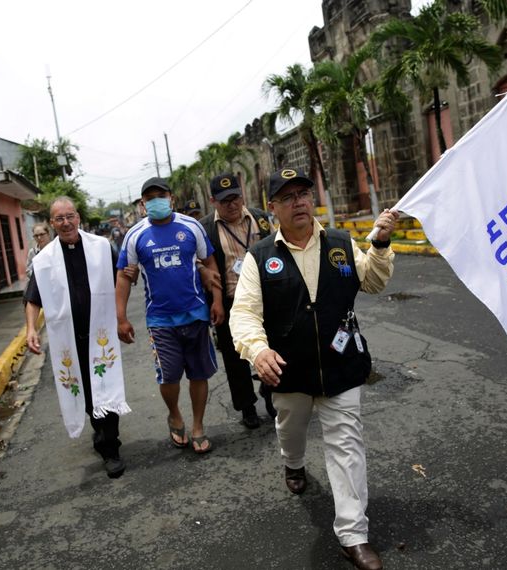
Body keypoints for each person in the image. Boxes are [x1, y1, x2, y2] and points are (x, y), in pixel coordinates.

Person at [229, 168, 398, 570]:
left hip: (341, 366)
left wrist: (381, 243)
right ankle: (293, 463)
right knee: (291, 428)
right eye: (287, 198)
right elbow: (245, 314)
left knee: (346, 446)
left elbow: (372, 282)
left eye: (303, 193)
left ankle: (353, 535)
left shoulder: (340, 242)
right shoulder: (260, 257)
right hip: (289, 372)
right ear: (273, 209)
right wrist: (258, 351)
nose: (299, 202)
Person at [116, 177, 224, 454]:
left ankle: (198, 426)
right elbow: (124, 276)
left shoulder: (191, 227)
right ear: (143, 204)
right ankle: (175, 414)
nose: (156, 201)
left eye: (160, 195)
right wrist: (121, 318)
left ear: (171, 198)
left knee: (199, 374)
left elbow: (209, 263)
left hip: (196, 314)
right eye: (149, 198)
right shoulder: (135, 235)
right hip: (160, 320)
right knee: (169, 377)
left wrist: (218, 301)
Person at [24, 197, 130, 478]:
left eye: (70, 216)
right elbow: (33, 298)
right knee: (83, 391)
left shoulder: (100, 247)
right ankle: (99, 430)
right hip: (69, 340)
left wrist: (121, 316)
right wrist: (31, 329)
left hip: (101, 334)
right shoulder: (44, 260)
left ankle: (111, 448)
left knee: (105, 385)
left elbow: (122, 276)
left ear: (78, 217)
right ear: (52, 224)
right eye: (59, 219)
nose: (66, 222)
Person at [199, 173, 275, 429]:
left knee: (272, 348)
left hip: (267, 298)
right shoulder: (206, 228)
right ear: (213, 201)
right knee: (235, 358)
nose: (232, 205)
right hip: (230, 302)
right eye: (225, 201)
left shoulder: (261, 219)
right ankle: (247, 407)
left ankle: (272, 393)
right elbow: (201, 263)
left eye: (235, 198)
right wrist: (212, 293)